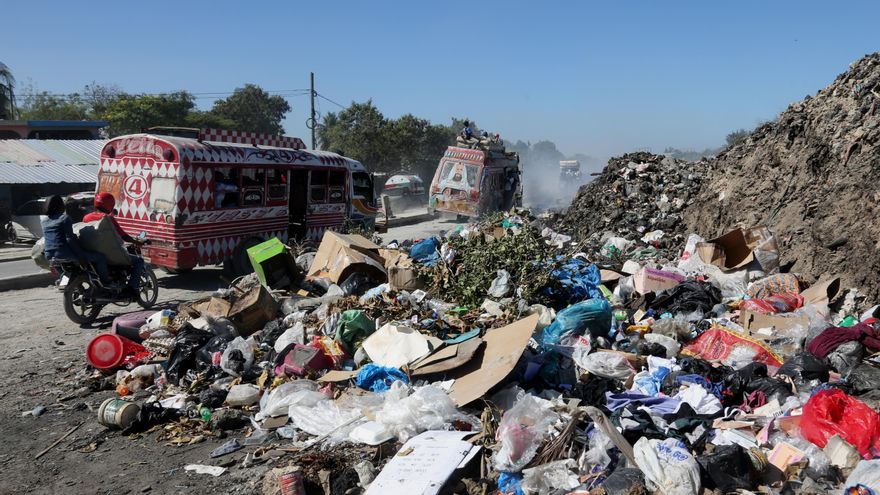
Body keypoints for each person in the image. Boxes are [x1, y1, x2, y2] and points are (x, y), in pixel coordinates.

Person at [83, 192, 145, 297]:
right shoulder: (107, 218)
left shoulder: (86, 217)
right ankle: (132, 289)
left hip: (93, 251)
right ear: (110, 205)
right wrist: (137, 242)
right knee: (139, 261)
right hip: (109, 254)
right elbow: (123, 235)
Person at [41, 195, 111, 286]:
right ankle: (106, 283)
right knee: (100, 257)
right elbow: (69, 239)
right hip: (65, 253)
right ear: (59, 206)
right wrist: (80, 255)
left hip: (50, 255)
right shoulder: (64, 218)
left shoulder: (44, 221)